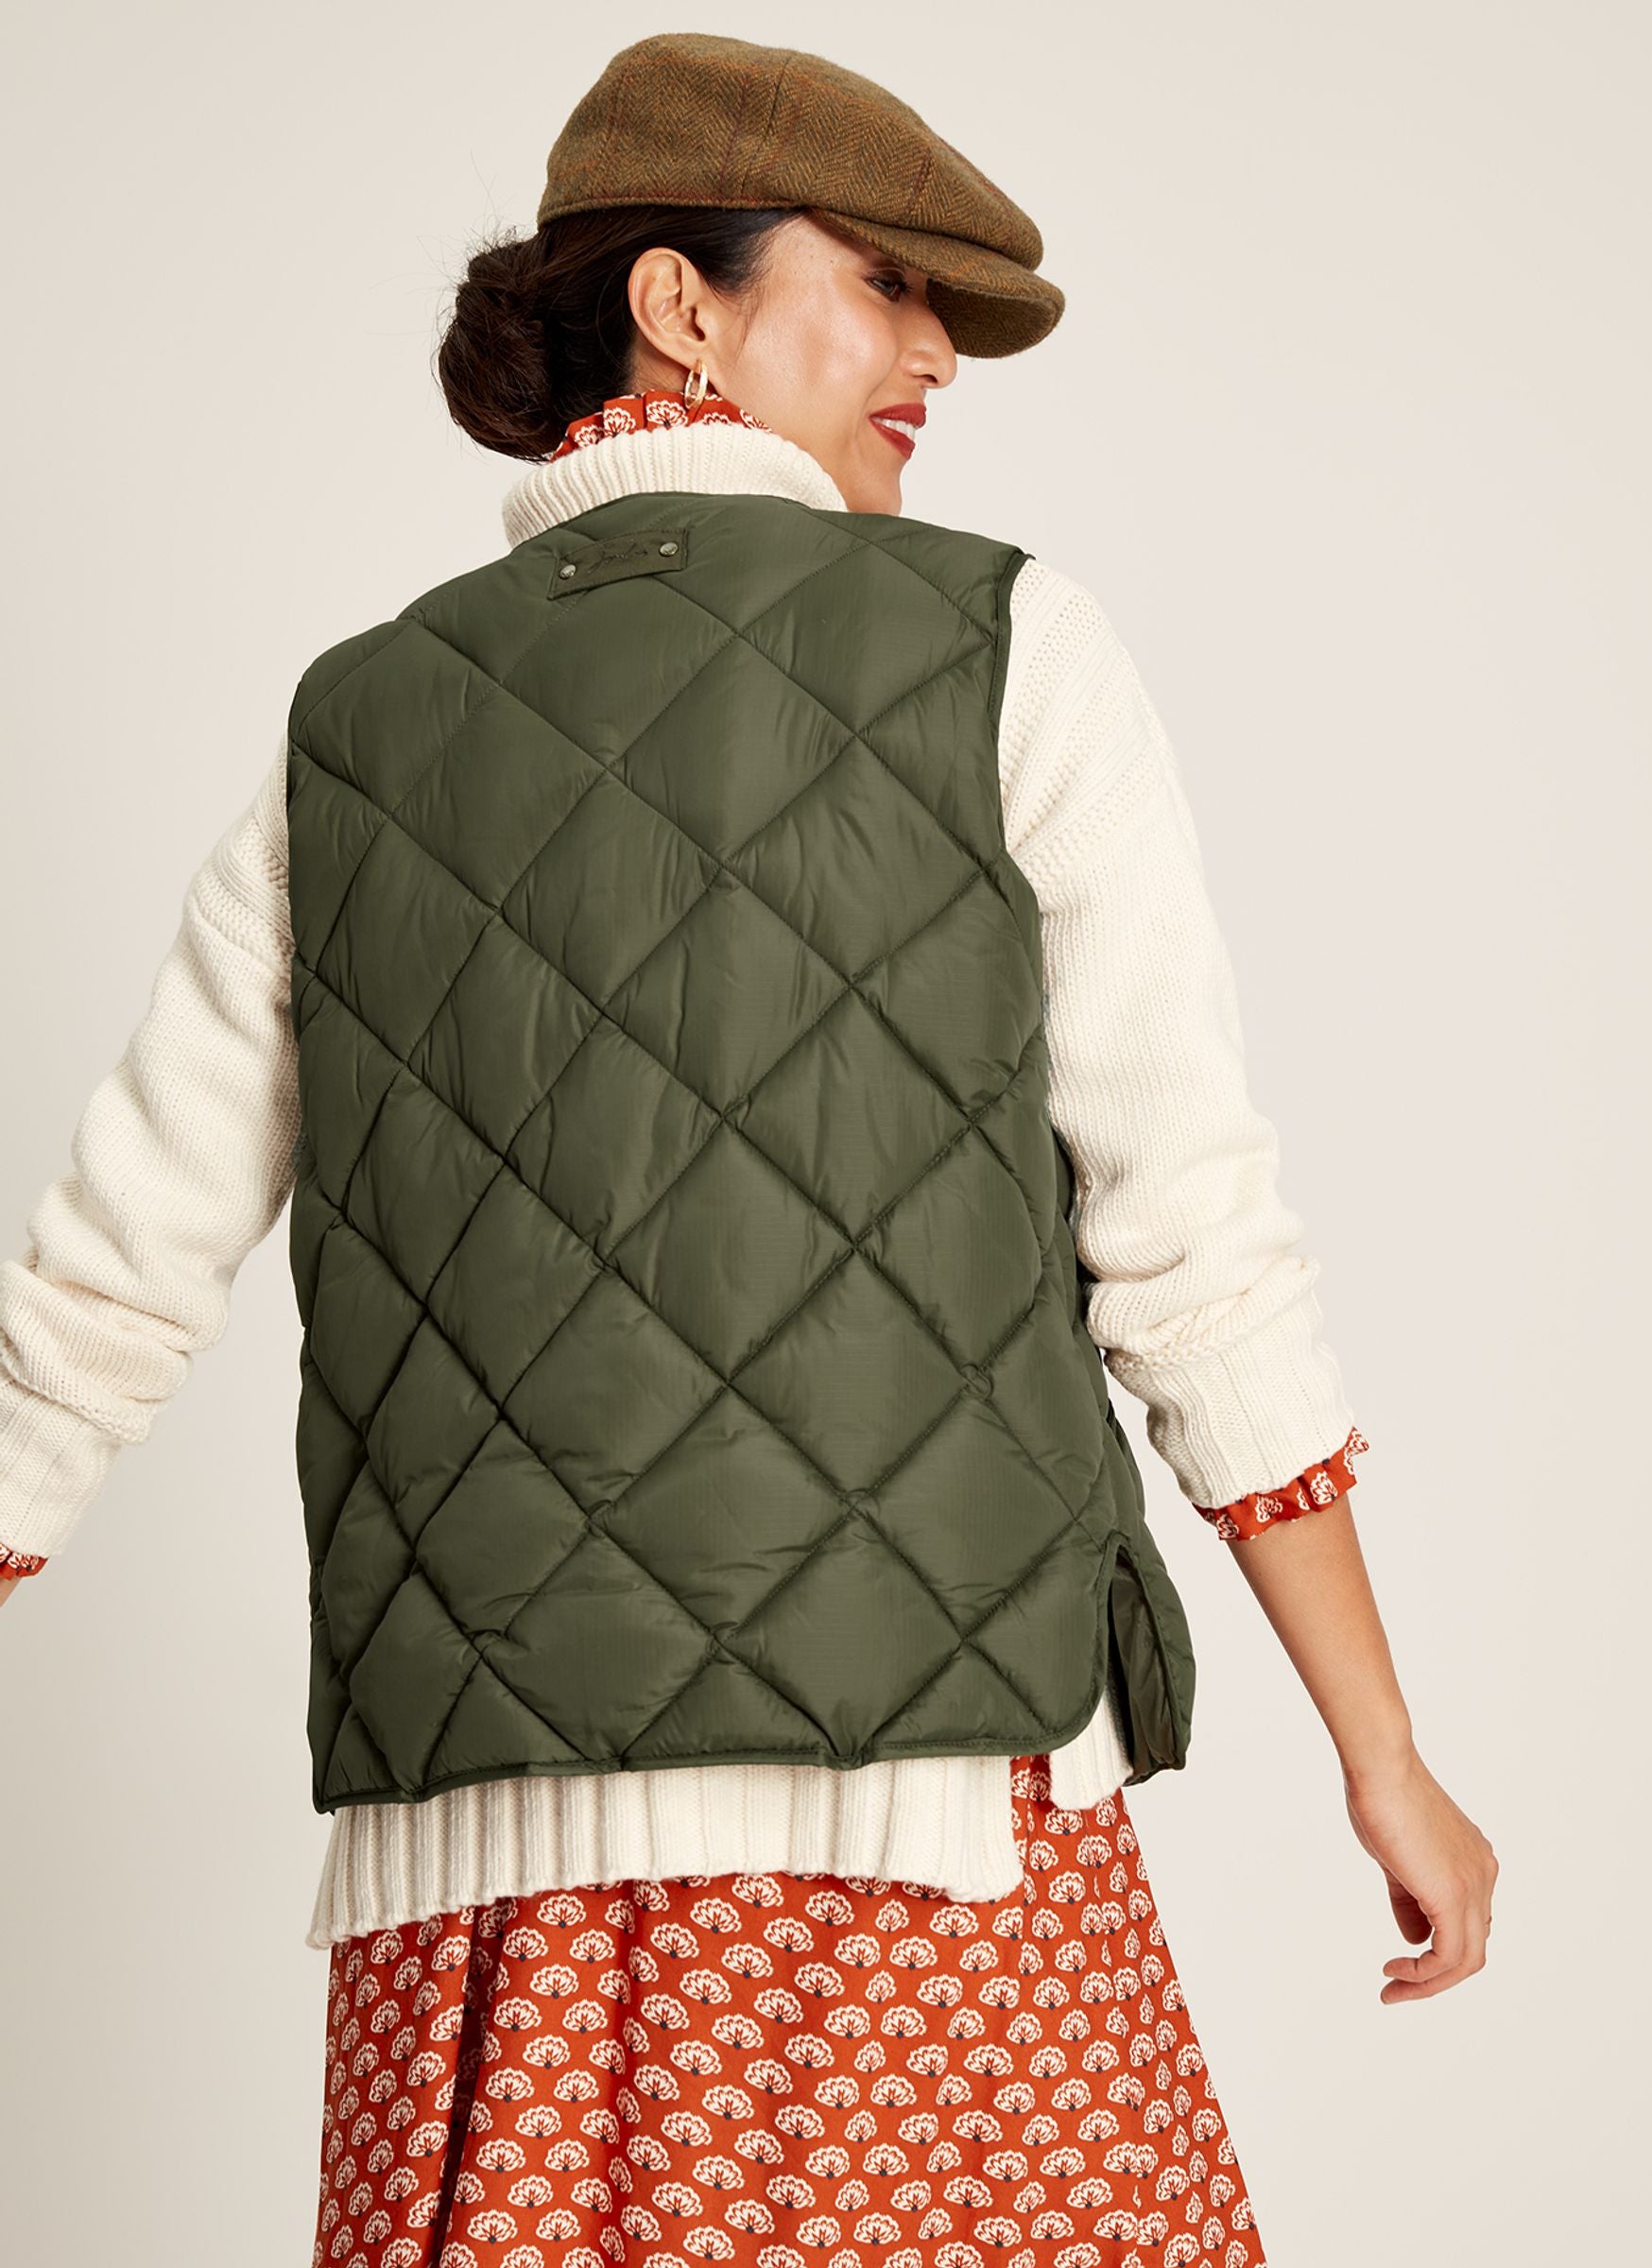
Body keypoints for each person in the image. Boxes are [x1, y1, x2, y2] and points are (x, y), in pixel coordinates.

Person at [0, 31, 1495, 2263]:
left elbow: (104, 1285)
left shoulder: (354, 730)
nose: (935, 357)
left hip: (470, 1907)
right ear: (677, 307)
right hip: (921, 1866)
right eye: (884, 285)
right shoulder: (1004, 646)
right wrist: (1383, 1750)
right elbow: (1192, 1251)